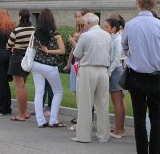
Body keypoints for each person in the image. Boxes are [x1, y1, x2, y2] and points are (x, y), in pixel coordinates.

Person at [121, 0, 160, 154]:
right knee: (156, 118)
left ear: (138, 4)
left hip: (136, 76)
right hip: (155, 75)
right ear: (153, 5)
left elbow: (124, 47)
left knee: (139, 118)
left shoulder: (131, 25)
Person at [72, 13, 112, 143]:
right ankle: (104, 135)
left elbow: (77, 53)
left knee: (85, 103)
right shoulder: (107, 35)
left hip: (88, 69)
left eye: (84, 24)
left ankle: (83, 136)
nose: (84, 26)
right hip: (103, 71)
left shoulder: (86, 35)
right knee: (103, 104)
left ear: (89, 23)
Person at [31, 8, 65, 127]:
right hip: (50, 66)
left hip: (36, 65)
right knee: (58, 92)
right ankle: (53, 119)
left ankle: (40, 120)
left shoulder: (36, 34)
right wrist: (49, 51)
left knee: (39, 92)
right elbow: (62, 51)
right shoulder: (55, 34)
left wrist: (44, 50)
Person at [6, 8, 35, 121]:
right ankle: (25, 112)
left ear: (20, 17)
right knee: (23, 85)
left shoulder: (16, 30)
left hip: (17, 58)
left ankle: (21, 114)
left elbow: (9, 45)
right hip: (28, 58)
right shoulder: (33, 29)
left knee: (19, 86)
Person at [105, 15, 127, 138]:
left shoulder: (118, 39)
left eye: (107, 27)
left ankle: (119, 129)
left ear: (113, 28)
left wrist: (109, 72)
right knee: (118, 101)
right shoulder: (115, 38)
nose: (105, 29)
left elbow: (117, 59)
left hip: (116, 71)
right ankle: (120, 127)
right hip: (116, 70)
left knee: (117, 101)